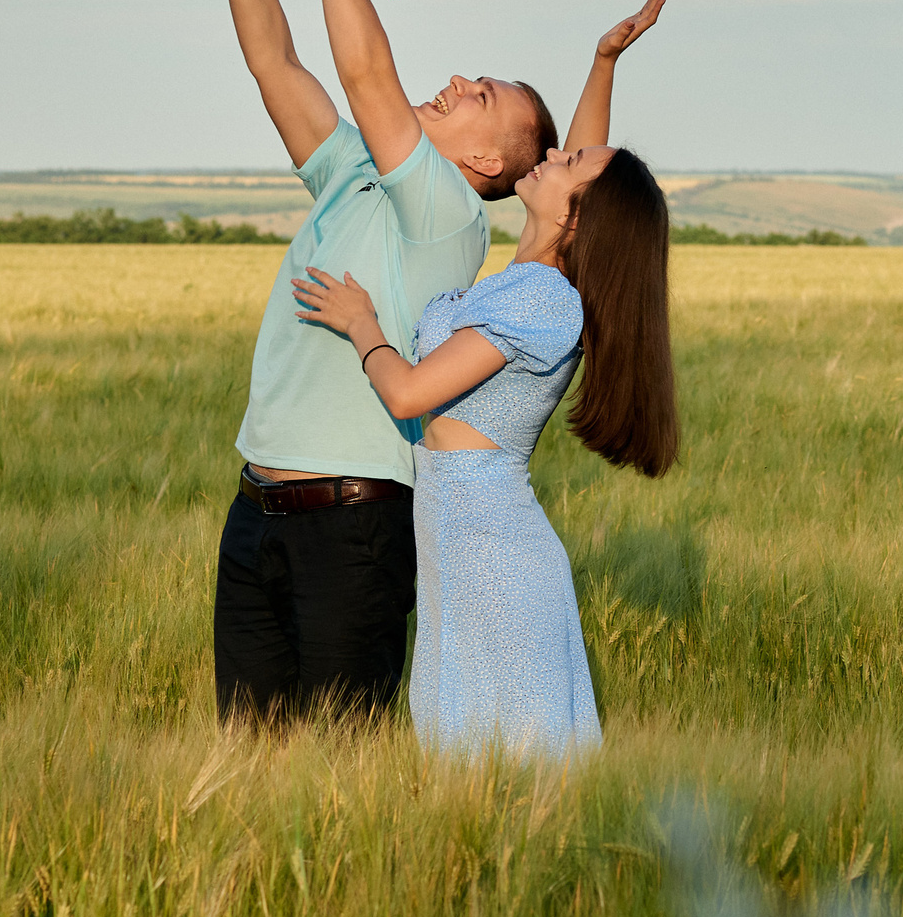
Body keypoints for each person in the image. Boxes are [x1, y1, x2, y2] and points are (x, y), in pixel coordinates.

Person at [179, 0, 667, 725]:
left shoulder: (449, 214)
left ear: (484, 159)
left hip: (355, 521)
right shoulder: (356, 174)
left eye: (480, 95)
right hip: (257, 506)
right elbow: (274, 64)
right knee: (249, 759)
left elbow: (370, 76)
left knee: (350, 771)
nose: (454, 82)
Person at [290, 135, 678, 758]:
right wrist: (603, 60)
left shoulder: (547, 298)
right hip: (459, 539)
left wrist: (363, 325)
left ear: (576, 217)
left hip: (493, 553)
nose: (553, 153)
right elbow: (592, 173)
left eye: (570, 162)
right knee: (474, 748)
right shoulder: (520, 284)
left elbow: (411, 395)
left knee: (506, 756)